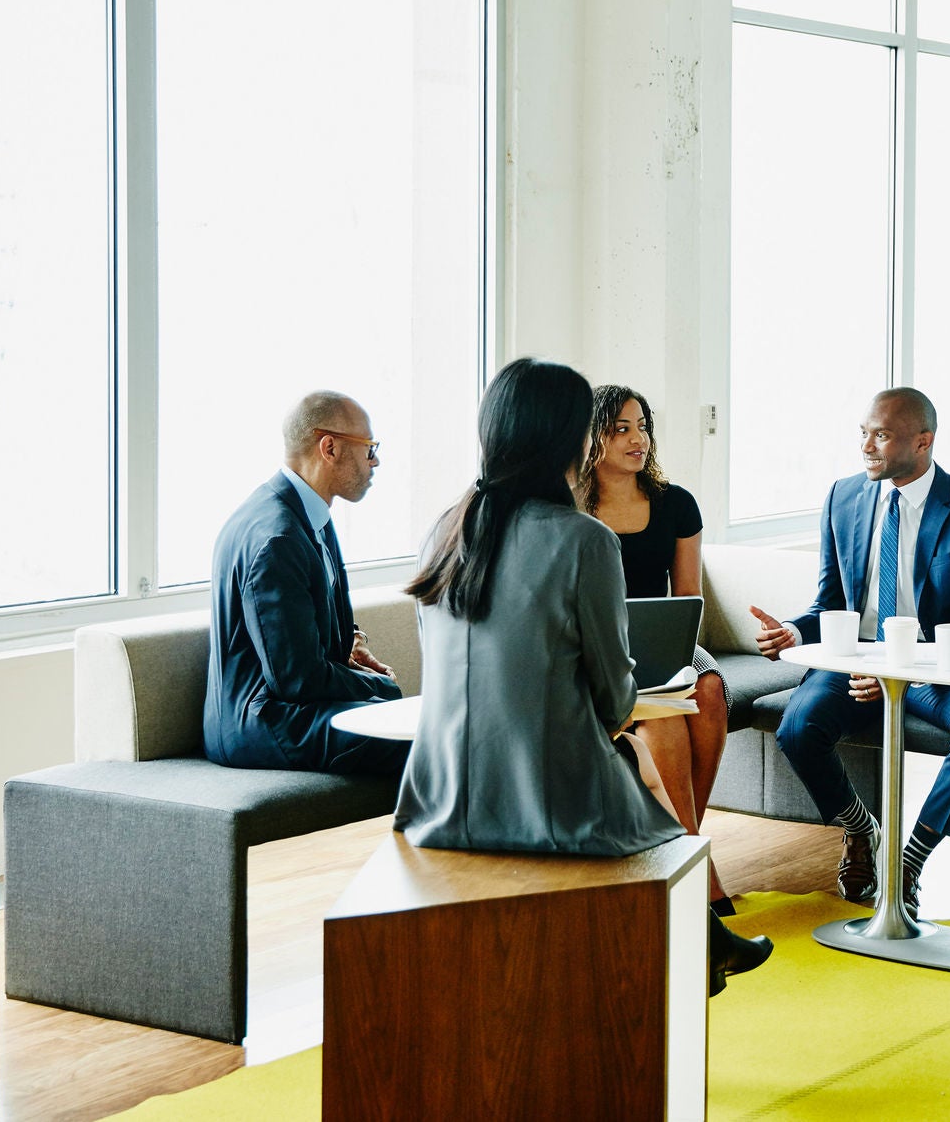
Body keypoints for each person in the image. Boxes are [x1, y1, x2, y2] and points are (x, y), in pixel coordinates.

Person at [396, 358, 770, 992]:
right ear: (572, 439)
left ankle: (706, 939)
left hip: (436, 791)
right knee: (645, 795)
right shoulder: (583, 539)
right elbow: (615, 699)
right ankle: (693, 949)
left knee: (638, 771)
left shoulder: (444, 530)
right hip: (541, 798)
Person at [748, 387, 950, 916]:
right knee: (798, 727)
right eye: (863, 433)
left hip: (931, 666)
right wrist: (794, 632)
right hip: (857, 659)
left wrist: (902, 670)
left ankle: (912, 858)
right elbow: (829, 602)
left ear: (923, 442)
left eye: (882, 436)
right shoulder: (843, 497)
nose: (866, 447)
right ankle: (859, 827)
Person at [578, 383, 736, 915]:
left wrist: (672, 648)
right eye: (621, 429)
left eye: (642, 427)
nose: (637, 439)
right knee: (664, 720)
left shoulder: (676, 504)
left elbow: (688, 599)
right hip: (596, 649)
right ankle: (695, 864)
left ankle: (683, 845)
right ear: (592, 437)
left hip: (665, 641)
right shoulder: (569, 507)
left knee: (709, 688)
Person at [204, 391, 406, 776]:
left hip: (288, 708)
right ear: (330, 448)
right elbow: (297, 680)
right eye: (369, 448)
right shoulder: (277, 537)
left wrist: (350, 641)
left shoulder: (307, 514)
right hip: (263, 720)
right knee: (413, 734)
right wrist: (379, 686)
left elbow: (300, 618)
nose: (375, 461)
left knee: (409, 721)